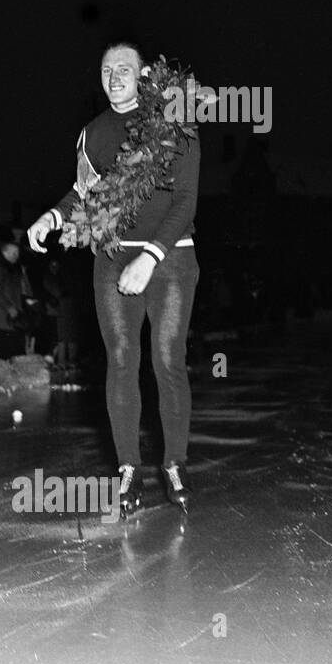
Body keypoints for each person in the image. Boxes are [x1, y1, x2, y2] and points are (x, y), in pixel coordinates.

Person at [27, 42, 202, 515]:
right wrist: (51, 217)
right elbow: (84, 194)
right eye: (107, 69)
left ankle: (175, 464)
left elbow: (186, 200)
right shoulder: (92, 133)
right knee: (122, 360)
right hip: (110, 259)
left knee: (168, 360)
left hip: (169, 259)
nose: (114, 76)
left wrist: (150, 257)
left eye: (124, 68)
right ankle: (128, 469)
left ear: (144, 74)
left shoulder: (175, 120)